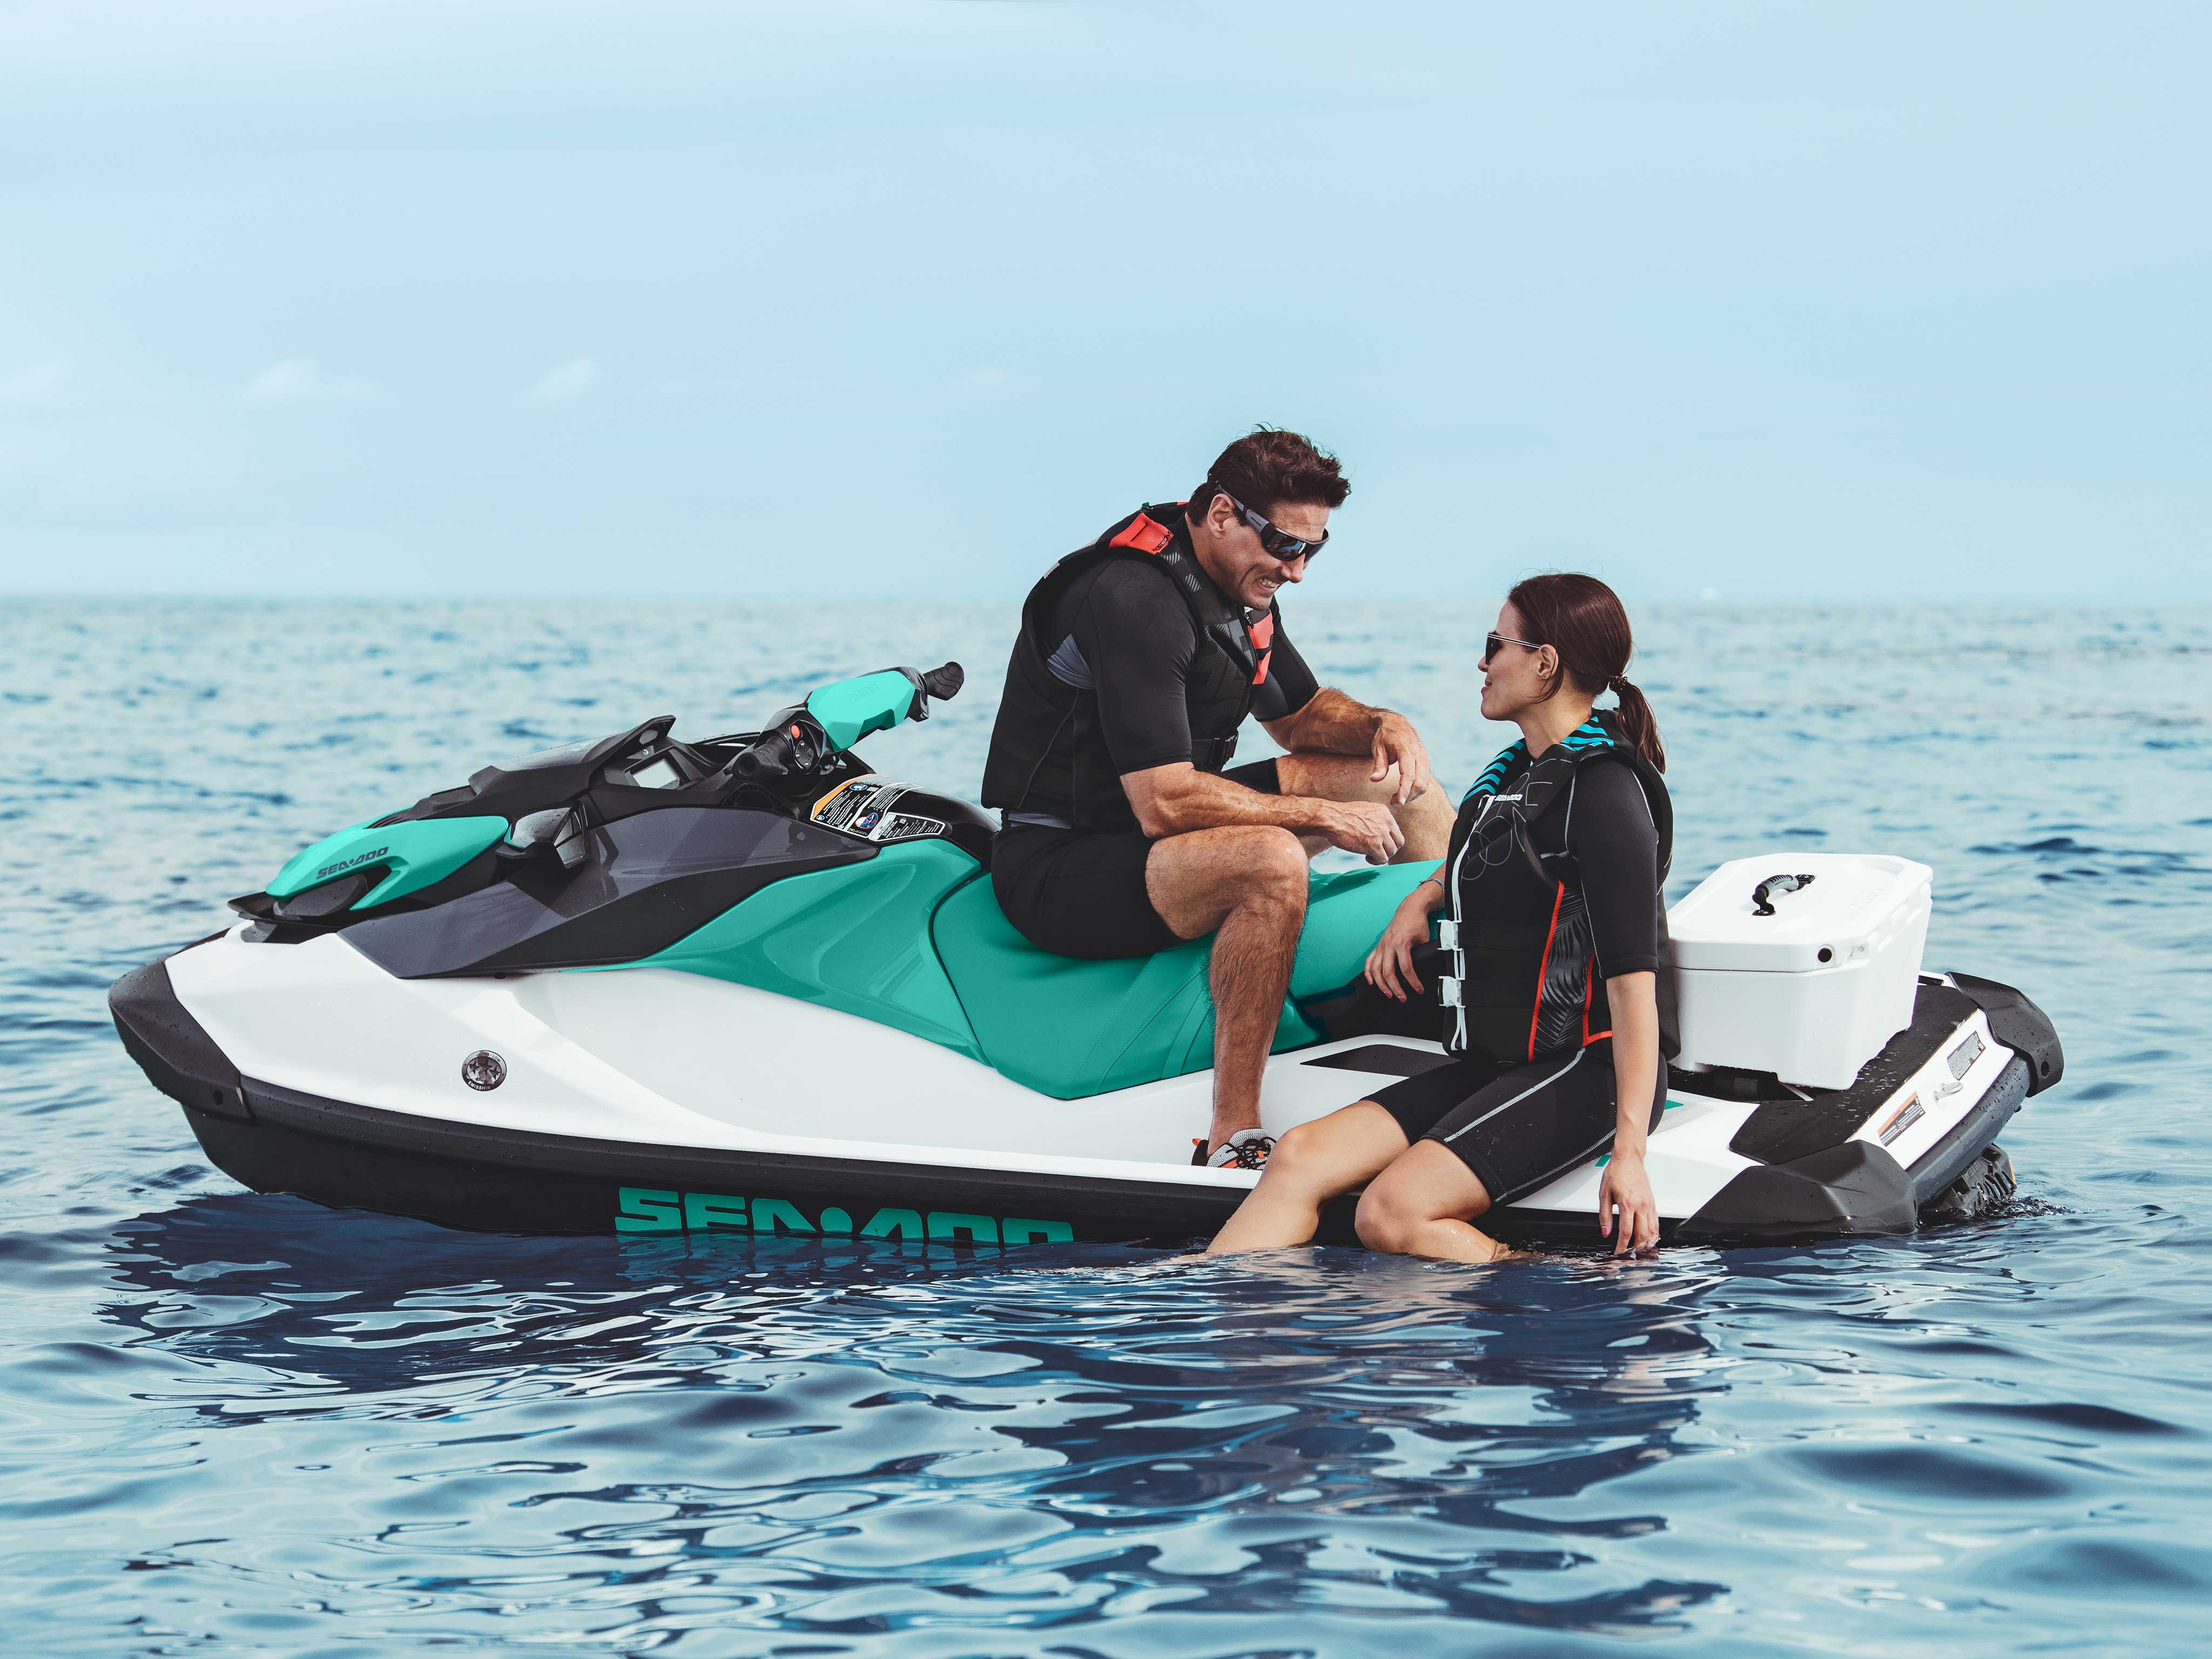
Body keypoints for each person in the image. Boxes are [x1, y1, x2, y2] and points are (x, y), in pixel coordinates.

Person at [981, 429, 1454, 1169]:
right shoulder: (1135, 597)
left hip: (1160, 828)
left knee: (1392, 776)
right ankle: (1235, 1133)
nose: (1297, 570)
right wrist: (1319, 817)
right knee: (1270, 860)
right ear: (1225, 513)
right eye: (1285, 546)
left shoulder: (1239, 580)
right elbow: (1162, 806)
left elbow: (1296, 717)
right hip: (1063, 860)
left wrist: (1379, 724)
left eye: (1313, 550)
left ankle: (1495, 995)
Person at [1205, 572, 1674, 1259]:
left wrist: (1628, 1156)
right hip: (1499, 1060)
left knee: (1391, 1215)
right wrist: (1421, 901)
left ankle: (1553, 1278)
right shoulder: (1519, 775)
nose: (1482, 663)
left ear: (1545, 663)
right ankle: (1215, 1314)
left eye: (1496, 645)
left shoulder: (1604, 792)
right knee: (1300, 1155)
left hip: (1587, 1070)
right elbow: (1497, 864)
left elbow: (1635, 985)